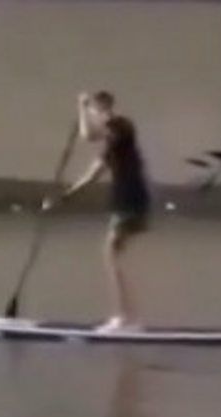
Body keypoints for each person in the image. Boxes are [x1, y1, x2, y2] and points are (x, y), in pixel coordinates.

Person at [43, 90, 150, 331]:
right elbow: (90, 176)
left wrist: (82, 107)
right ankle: (129, 318)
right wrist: (62, 198)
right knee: (112, 255)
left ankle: (125, 319)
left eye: (95, 113)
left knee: (110, 254)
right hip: (125, 200)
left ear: (104, 110)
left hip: (131, 199)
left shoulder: (123, 126)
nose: (95, 119)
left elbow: (88, 135)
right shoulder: (111, 147)